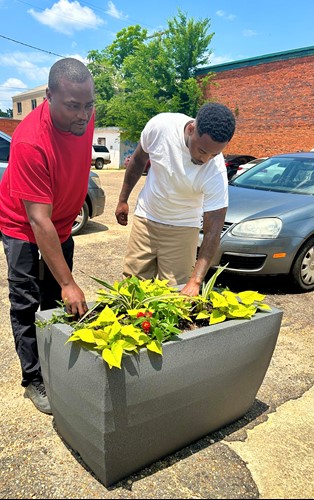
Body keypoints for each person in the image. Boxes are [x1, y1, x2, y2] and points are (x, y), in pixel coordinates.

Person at [0, 58, 95, 414]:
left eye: (89, 105)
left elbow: (52, 225)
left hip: (60, 227)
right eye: (73, 106)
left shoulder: (83, 116)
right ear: (48, 97)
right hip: (22, 227)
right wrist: (72, 282)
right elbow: (38, 222)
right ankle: (33, 379)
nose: (83, 116)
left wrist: (64, 283)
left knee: (55, 299)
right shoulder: (29, 142)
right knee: (26, 302)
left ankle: (56, 365)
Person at [115, 102, 236, 297]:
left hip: (183, 228)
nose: (205, 160)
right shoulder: (160, 127)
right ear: (191, 129)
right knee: (132, 288)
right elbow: (138, 160)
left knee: (173, 295)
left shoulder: (215, 170)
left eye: (215, 154)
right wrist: (123, 200)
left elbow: (213, 229)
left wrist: (196, 280)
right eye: (203, 151)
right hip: (146, 219)